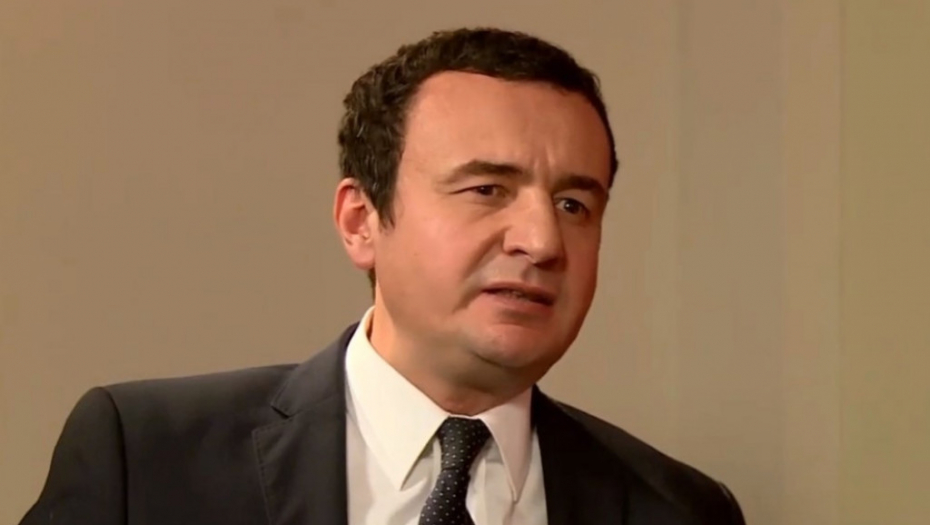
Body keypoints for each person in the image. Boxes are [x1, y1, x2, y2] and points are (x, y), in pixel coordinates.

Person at [20, 27, 745, 525]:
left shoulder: (679, 509)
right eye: (487, 189)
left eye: (573, 204)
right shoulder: (147, 461)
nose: (542, 240)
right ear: (360, 220)